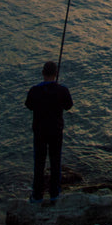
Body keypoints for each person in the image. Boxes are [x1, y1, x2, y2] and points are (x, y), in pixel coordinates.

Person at [25, 61, 72, 204]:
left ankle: (37, 195)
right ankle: (54, 194)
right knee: (55, 161)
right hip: (56, 131)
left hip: (39, 132)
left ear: (43, 73)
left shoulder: (34, 90)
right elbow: (68, 106)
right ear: (56, 74)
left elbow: (29, 105)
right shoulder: (62, 90)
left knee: (39, 163)